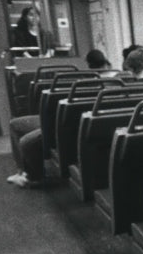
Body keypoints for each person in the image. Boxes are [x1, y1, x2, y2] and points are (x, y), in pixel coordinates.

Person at [6, 47, 114, 188]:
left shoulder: (83, 85)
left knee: (25, 141)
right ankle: (25, 172)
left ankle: (29, 176)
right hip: (86, 127)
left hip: (67, 127)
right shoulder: (119, 80)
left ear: (88, 64)